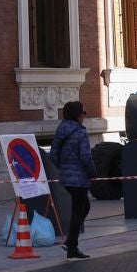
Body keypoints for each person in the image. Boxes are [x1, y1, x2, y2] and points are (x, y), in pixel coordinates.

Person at [49, 100, 94, 261]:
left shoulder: (61, 130)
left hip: (66, 177)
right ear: (77, 115)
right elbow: (86, 157)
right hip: (80, 178)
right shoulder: (81, 133)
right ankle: (71, 243)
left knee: (82, 207)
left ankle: (71, 246)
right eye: (83, 113)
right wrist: (92, 172)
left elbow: (53, 154)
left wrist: (64, 168)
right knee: (79, 209)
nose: (84, 116)